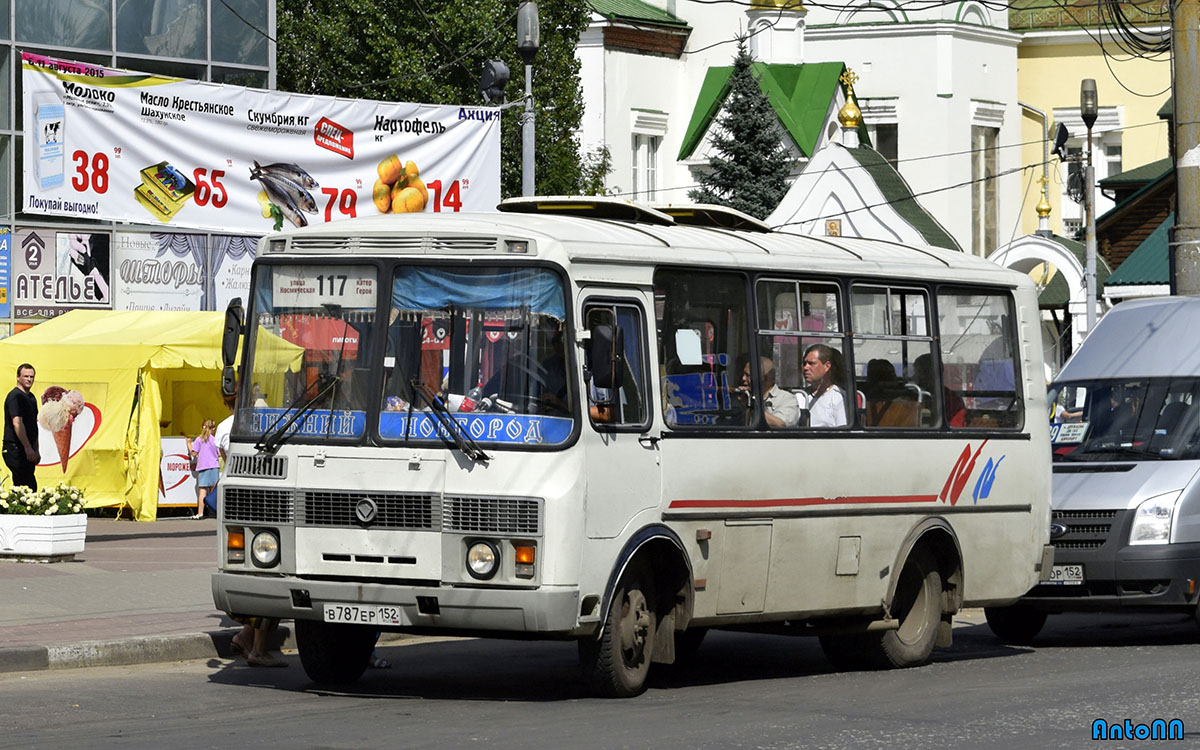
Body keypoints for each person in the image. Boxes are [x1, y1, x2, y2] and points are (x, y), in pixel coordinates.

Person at [3, 364, 40, 489]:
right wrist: (27, 447)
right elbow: (17, 423)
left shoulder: (31, 398)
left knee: (27, 486)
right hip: (15, 448)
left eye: (32, 376)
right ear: (18, 377)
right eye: (26, 376)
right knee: (25, 486)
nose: (29, 379)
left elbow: (33, 425)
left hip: (27, 448)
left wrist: (36, 449)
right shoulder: (15, 396)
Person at [738, 356, 799, 428]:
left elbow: (781, 424)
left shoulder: (787, 399)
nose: (743, 378)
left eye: (748, 375)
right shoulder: (744, 397)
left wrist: (752, 406)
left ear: (766, 378)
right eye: (743, 375)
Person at [803, 344, 847, 427]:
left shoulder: (839, 398)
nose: (805, 368)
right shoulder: (800, 395)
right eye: (804, 363)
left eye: (811, 363)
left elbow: (843, 433)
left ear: (827, 366)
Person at [187, 418, 219, 519]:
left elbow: (194, 452)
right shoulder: (215, 440)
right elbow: (219, 453)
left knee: (203, 491)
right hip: (214, 466)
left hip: (203, 467)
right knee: (214, 491)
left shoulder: (198, 439)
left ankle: (200, 513)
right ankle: (215, 512)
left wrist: (188, 443)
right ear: (213, 428)